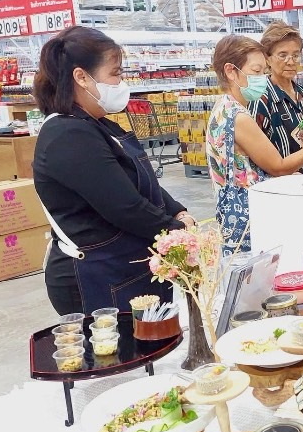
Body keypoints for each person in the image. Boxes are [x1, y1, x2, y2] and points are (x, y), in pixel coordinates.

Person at [32, 26, 194, 316]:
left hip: (122, 264)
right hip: (96, 277)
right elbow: (124, 206)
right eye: (115, 74)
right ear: (81, 77)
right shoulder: (67, 135)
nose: (121, 83)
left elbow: (137, 181)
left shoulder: (97, 124)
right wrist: (177, 232)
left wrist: (178, 211)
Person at [206, 35, 303, 252]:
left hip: (236, 211)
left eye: (263, 72)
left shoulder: (222, 107)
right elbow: (279, 167)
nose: (262, 79)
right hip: (252, 216)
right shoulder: (239, 117)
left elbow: (248, 166)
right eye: (256, 72)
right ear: (231, 71)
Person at [250, 21, 303, 175]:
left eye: (295, 55)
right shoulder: (261, 100)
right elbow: (252, 156)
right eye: (282, 55)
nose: (291, 61)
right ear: (267, 59)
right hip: (280, 185)